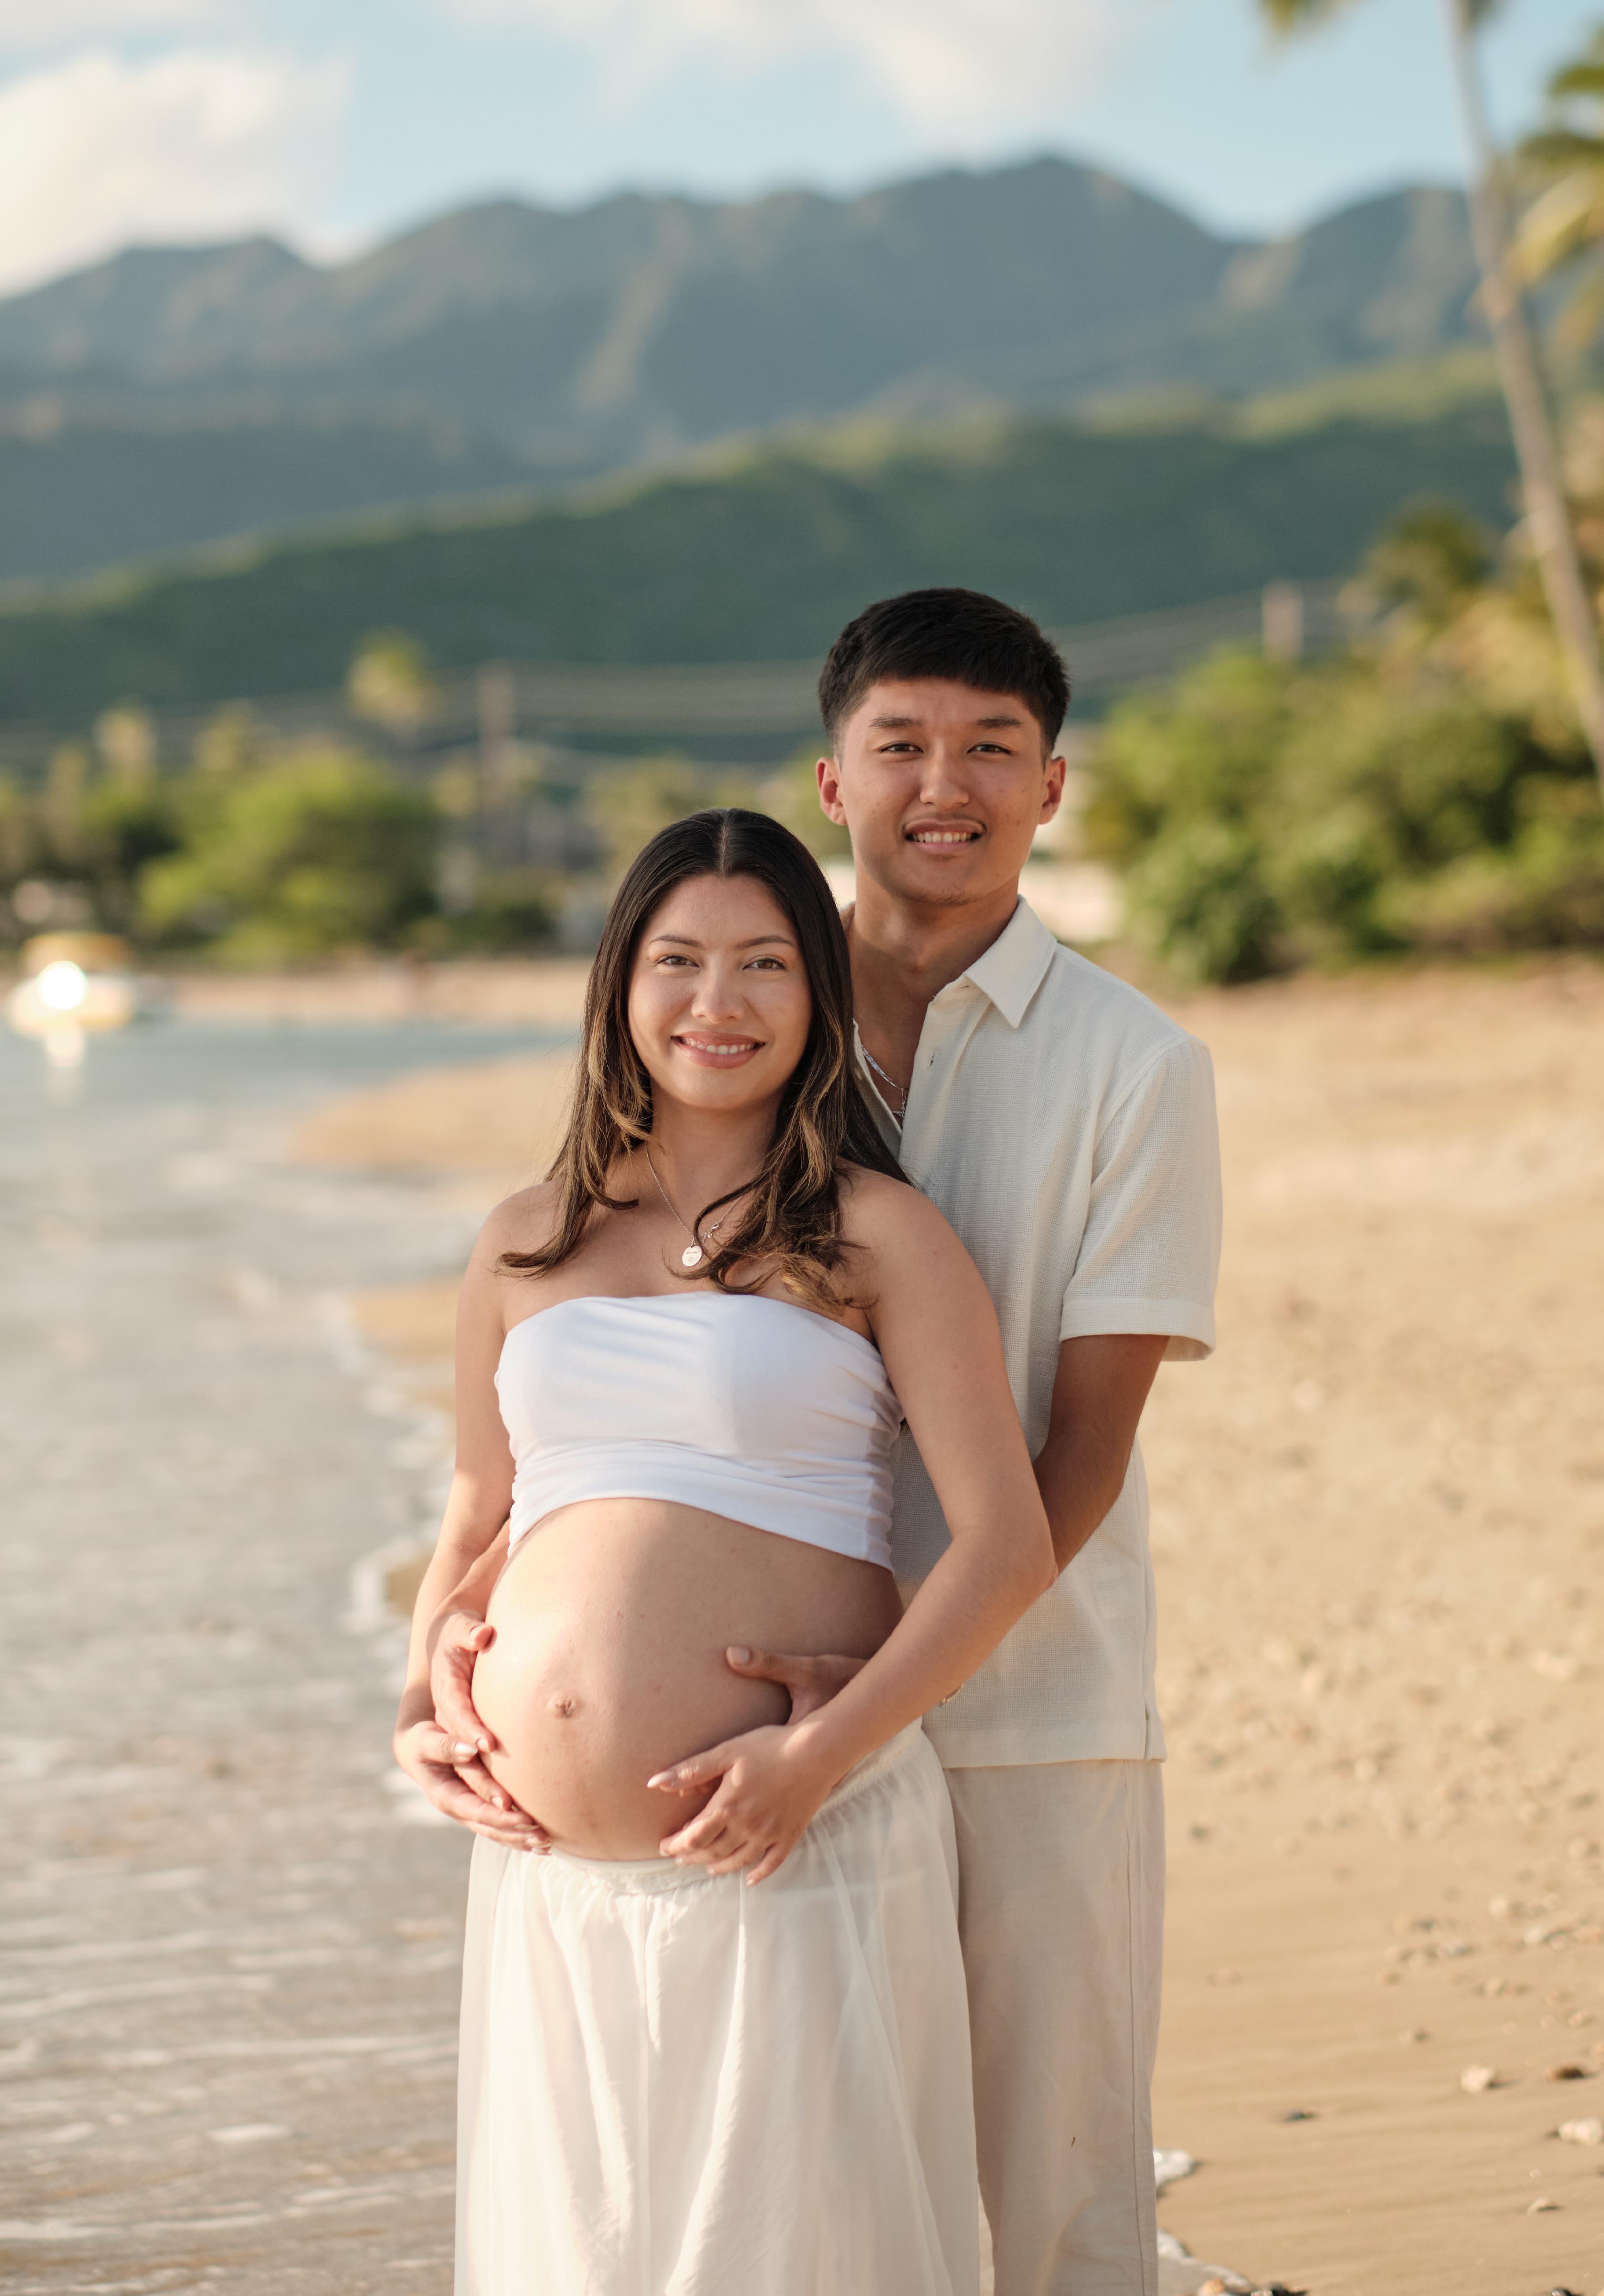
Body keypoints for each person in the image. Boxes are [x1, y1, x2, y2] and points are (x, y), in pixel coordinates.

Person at [394, 806, 1054, 2296]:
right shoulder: (523, 1238)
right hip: (551, 1875)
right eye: (679, 961)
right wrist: (417, 1711)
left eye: (765, 963)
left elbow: (1006, 1545)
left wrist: (818, 1760)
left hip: (796, 1836)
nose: (719, 1002)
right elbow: (477, 1519)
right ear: (620, 989)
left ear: (816, 998)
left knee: (797, 2255)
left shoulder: (879, 1234)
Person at [730, 589, 1224, 2296]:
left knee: (1061, 2183)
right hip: (766, 1702)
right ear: (830, 780)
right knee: (826, 2178)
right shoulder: (742, 1043)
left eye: (992, 750)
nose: (948, 783)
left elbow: (1085, 1449)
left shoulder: (1136, 1067)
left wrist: (902, 1670)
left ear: (1054, 786)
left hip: (1038, 1714)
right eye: (903, 746)